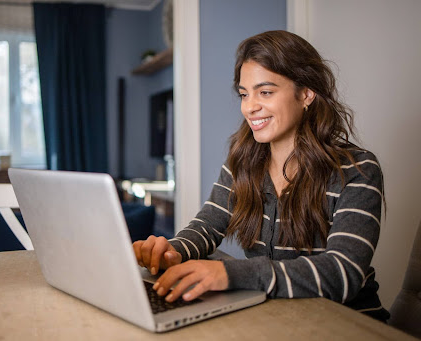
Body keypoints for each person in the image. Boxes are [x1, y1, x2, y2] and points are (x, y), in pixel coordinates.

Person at [133, 30, 389, 322]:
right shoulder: (243, 162)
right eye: (244, 94)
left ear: (306, 94)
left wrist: (230, 273)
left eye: (265, 92)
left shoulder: (357, 169)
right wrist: (173, 252)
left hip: (348, 324)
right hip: (278, 319)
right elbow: (207, 227)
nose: (249, 107)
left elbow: (343, 272)